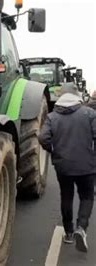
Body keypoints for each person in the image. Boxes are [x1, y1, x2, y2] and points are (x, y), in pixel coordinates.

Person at [39, 83, 96, 252]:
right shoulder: (90, 114)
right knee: (86, 196)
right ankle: (81, 227)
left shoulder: (52, 116)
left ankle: (69, 233)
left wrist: (54, 151)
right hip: (87, 165)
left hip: (63, 165)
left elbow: (43, 138)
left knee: (67, 196)